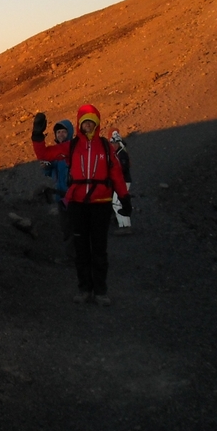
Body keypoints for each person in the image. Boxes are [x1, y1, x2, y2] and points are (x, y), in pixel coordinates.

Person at [31, 105, 129, 306]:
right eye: (85, 122)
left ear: (97, 124)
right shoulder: (72, 146)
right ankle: (84, 289)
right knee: (81, 249)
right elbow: (45, 155)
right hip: (78, 204)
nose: (88, 125)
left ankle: (100, 291)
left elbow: (117, 175)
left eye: (91, 122)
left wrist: (125, 199)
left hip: (101, 204)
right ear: (79, 124)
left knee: (99, 250)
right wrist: (37, 136)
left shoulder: (105, 147)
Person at [40, 119, 75, 262]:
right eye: (58, 132)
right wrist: (46, 166)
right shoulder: (55, 152)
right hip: (61, 196)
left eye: (63, 132)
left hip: (74, 196)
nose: (60, 134)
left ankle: (76, 257)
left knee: (74, 227)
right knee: (66, 227)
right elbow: (50, 172)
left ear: (69, 133)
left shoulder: (74, 150)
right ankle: (72, 256)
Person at [108, 129, 132, 234]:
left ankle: (125, 226)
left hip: (123, 181)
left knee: (118, 203)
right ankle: (122, 224)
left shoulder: (121, 154)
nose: (113, 145)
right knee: (117, 203)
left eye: (115, 143)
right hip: (121, 181)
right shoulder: (119, 153)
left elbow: (123, 168)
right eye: (112, 143)